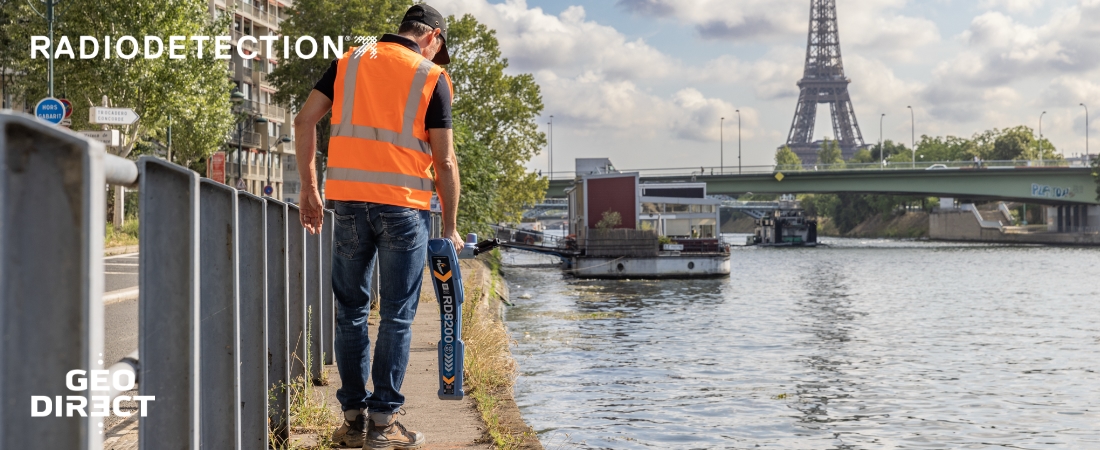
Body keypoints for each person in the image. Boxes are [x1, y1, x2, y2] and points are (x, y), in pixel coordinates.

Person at [292, 4, 462, 449]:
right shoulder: (431, 77)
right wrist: (450, 226)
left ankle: (351, 420)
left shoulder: (350, 60)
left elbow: (304, 119)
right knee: (397, 316)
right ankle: (383, 426)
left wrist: (309, 189)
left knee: (350, 311)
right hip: (404, 210)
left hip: (346, 204)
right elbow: (443, 161)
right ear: (434, 38)